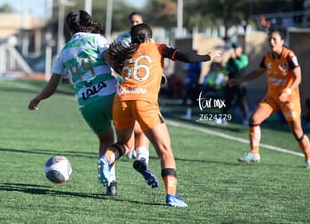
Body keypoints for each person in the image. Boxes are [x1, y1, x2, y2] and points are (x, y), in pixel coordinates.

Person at [99, 23, 221, 207]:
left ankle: (106, 158)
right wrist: (207, 57)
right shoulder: (158, 47)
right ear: (149, 38)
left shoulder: (126, 50)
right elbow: (185, 56)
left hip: (121, 100)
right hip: (144, 102)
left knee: (124, 144)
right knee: (165, 151)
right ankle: (171, 195)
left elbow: (114, 62)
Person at [28, 10, 122, 196]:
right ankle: (142, 158)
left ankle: (110, 183)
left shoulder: (64, 51)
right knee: (130, 136)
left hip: (87, 105)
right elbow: (113, 64)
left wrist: (38, 98)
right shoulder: (98, 40)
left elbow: (52, 86)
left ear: (69, 29)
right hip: (110, 96)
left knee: (105, 140)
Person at [228, 29, 310, 169]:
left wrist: (287, 91)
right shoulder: (267, 57)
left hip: (289, 98)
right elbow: (257, 72)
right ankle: (254, 153)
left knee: (296, 130)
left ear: (282, 41)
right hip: (272, 97)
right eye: (270, 39)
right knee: (254, 120)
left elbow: (298, 78)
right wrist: (239, 80)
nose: (271, 42)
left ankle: (309, 159)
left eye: (275, 39)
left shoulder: (289, 56)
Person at [115, 11, 152, 170]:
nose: (134, 24)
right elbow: (114, 57)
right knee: (139, 121)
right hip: (126, 82)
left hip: (143, 84)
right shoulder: (122, 39)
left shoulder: (149, 40)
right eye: (132, 22)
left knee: (138, 119)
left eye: (137, 21)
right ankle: (140, 153)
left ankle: (135, 151)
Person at [222, 42, 250, 125]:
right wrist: (223, 66)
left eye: (236, 49)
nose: (234, 50)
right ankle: (223, 117)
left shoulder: (243, 57)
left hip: (241, 84)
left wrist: (234, 59)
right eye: (233, 49)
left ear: (240, 49)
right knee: (227, 100)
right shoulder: (230, 60)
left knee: (242, 101)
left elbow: (239, 66)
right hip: (231, 83)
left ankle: (246, 118)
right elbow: (226, 70)